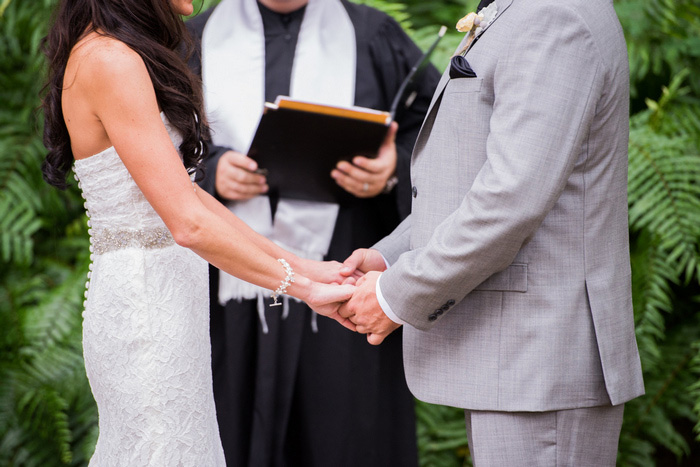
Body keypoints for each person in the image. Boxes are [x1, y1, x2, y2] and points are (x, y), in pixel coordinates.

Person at [41, 0, 354, 464]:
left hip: (166, 295)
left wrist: (305, 268)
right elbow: (187, 223)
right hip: (145, 307)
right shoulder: (109, 59)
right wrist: (303, 288)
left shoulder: (117, 52)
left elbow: (191, 199)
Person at [339, 0, 645, 465]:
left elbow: (510, 200)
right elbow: (469, 180)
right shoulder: (523, 10)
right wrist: (390, 258)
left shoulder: (554, 17)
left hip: (540, 360)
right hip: (518, 364)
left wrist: (395, 294)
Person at [186, 0, 439, 465]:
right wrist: (212, 170)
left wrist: (392, 168)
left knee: (343, 437)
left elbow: (435, 127)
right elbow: (158, 147)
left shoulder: (371, 34)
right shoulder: (196, 39)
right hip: (226, 288)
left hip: (342, 280)